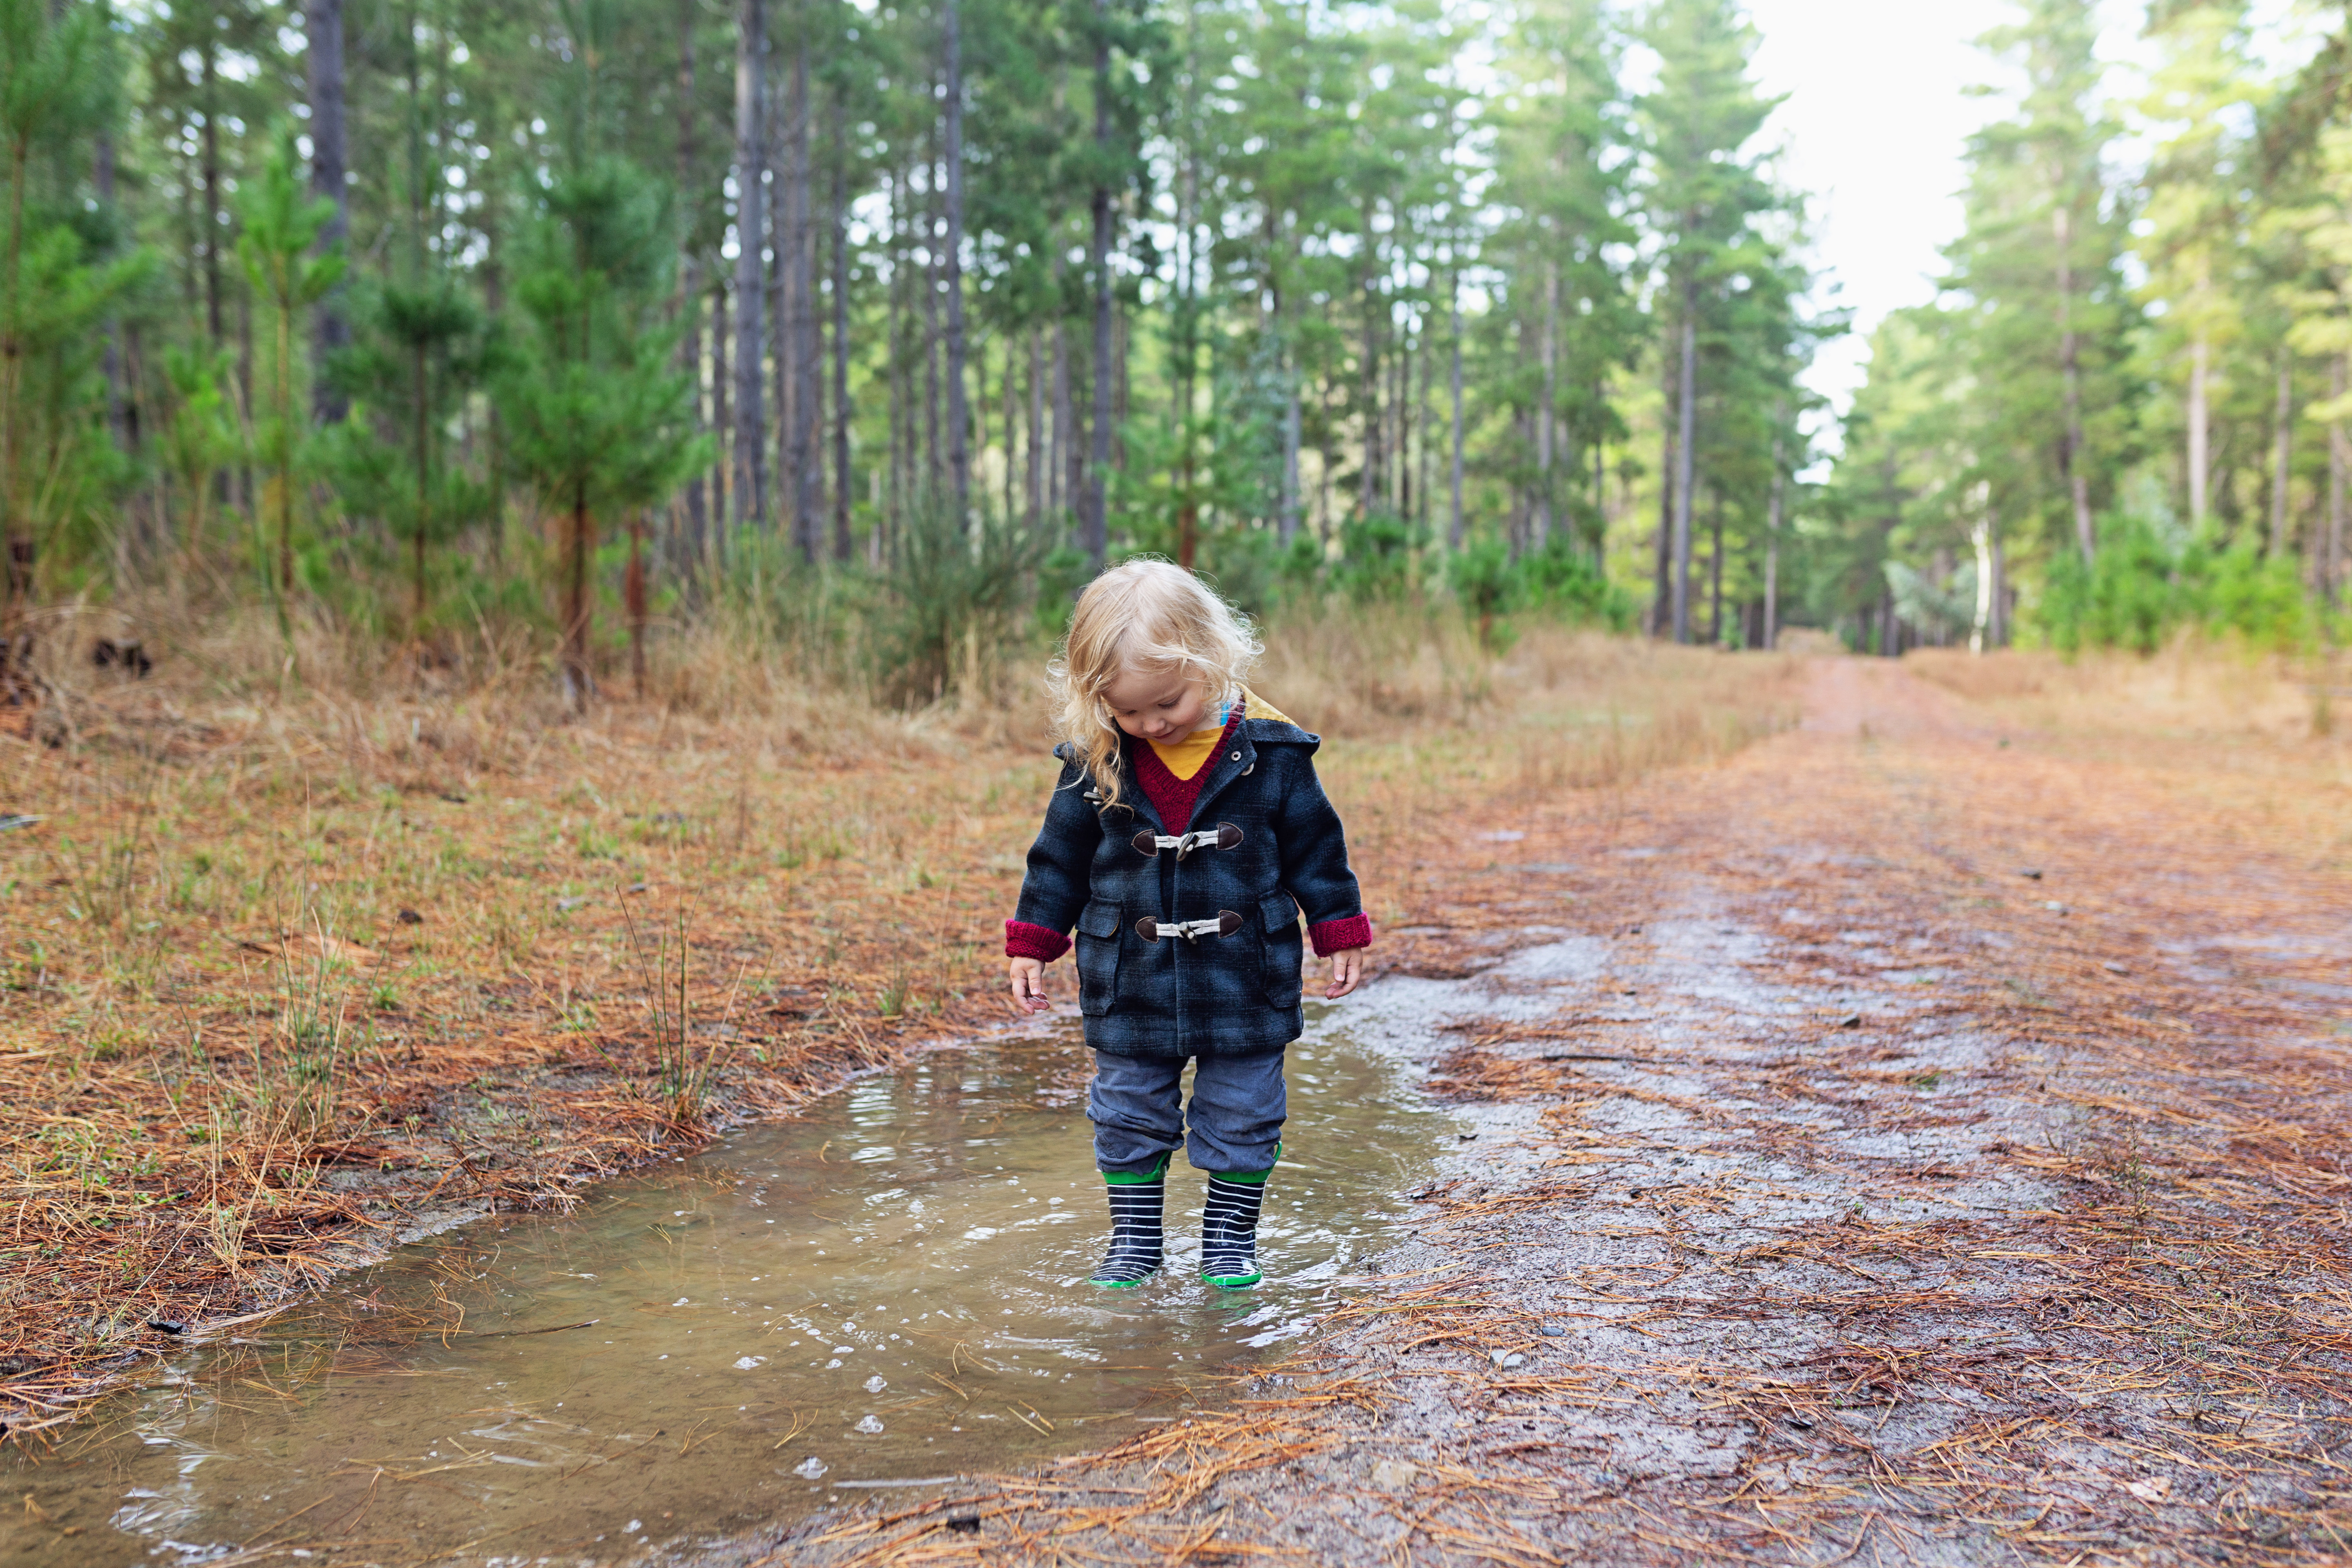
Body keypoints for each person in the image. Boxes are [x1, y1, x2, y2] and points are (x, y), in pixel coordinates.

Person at [1004, 559, 1372, 1290]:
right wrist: (1035, 942)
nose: (1151, 724)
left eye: (1167, 702)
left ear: (1213, 657)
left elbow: (1316, 851)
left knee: (1244, 1109)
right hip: (1129, 975)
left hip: (1247, 975)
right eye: (1128, 712)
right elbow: (1059, 861)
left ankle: (1229, 1244)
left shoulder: (1275, 756)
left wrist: (1339, 925)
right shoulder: (1097, 760)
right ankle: (1136, 1244)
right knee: (1127, 1107)